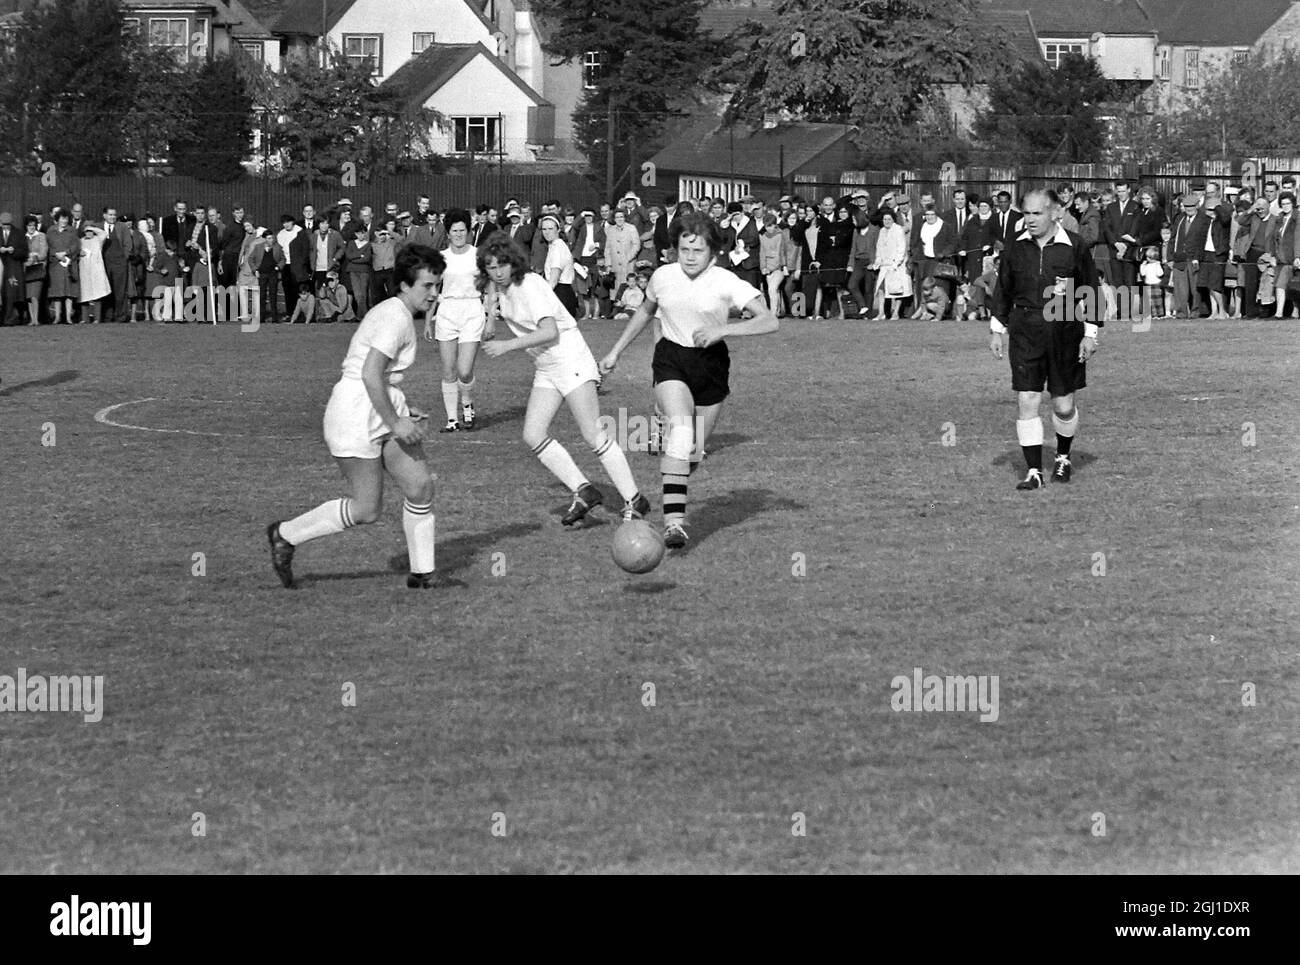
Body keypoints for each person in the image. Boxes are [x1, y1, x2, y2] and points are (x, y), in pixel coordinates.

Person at [267, 244, 447, 590]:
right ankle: (285, 534)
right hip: (353, 413)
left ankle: (423, 574)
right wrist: (396, 422)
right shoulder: (395, 317)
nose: (434, 293)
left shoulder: (398, 312)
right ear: (405, 285)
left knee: (420, 484)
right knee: (367, 510)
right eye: (427, 285)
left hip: (377, 404)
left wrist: (403, 408)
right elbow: (369, 374)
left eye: (437, 285)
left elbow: (381, 376)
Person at [597, 211, 779, 548]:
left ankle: (672, 483)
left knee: (690, 456)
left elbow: (769, 321)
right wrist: (615, 352)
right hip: (671, 360)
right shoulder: (663, 276)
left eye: (698, 250)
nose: (690, 257)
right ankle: (674, 526)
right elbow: (646, 311)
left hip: (711, 365)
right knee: (681, 432)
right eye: (684, 250)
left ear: (713, 252)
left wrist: (724, 329)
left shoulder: (727, 281)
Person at [477, 232, 650, 526]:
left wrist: (506, 345)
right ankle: (584, 490)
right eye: (491, 267)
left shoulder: (529, 284)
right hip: (546, 364)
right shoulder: (501, 287)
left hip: (569, 358)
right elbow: (493, 291)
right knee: (533, 434)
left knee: (593, 434)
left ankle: (635, 499)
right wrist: (491, 319)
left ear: (513, 262)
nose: (498, 272)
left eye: (502, 265)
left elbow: (549, 331)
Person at [988, 190, 1100, 490]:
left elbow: (1090, 289)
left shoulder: (1074, 246)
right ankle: (1034, 472)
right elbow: (1003, 289)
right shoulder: (1015, 247)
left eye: (1037, 213)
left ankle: (1063, 457)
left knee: (1063, 405)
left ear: (1054, 213)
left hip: (1065, 330)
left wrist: (1090, 333)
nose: (1030, 219)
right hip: (1025, 330)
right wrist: (997, 329)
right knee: (1027, 398)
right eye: (1026, 213)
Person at [423, 209, 486, 433]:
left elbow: (490, 287)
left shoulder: (478, 255)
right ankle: (452, 420)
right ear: (448, 233)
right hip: (447, 312)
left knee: (465, 370)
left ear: (468, 231)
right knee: (449, 370)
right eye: (454, 230)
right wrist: (428, 319)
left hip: (472, 310)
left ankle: (467, 402)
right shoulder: (441, 258)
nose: (458, 234)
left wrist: (490, 319)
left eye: (462, 230)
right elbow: (433, 289)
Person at [871, 208, 911, 318]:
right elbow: (879, 247)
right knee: (881, 289)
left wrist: (896, 263)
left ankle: (896, 313)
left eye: (889, 219)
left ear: (893, 219)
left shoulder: (898, 230)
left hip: (897, 265)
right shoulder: (882, 231)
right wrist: (878, 260)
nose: (887, 221)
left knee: (897, 289)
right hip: (885, 264)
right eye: (885, 219)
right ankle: (881, 313)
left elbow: (901, 248)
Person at [45, 208, 79, 325]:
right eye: (62, 219)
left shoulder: (72, 231)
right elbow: (47, 246)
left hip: (69, 263)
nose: (64, 221)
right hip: (55, 265)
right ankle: (57, 317)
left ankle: (68, 317)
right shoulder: (51, 231)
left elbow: (76, 246)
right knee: (57, 292)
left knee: (69, 292)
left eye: (66, 219)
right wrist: (56, 254)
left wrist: (66, 253)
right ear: (57, 219)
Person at [77, 222, 111, 324]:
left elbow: (104, 234)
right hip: (84, 270)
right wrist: (79, 253)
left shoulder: (98, 240)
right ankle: (85, 318)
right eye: (87, 231)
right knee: (84, 295)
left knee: (97, 294)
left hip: (96, 271)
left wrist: (92, 228)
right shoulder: (80, 241)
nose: (89, 233)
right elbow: (75, 251)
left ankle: (97, 318)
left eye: (90, 231)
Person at [22, 215, 48, 325]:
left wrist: (35, 257)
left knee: (34, 295)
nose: (31, 227)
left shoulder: (41, 236)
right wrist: (27, 260)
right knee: (29, 296)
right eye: (29, 225)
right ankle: (32, 319)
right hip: (27, 269)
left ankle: (36, 319)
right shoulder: (23, 237)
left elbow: (44, 252)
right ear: (26, 226)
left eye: (33, 225)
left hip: (38, 268)